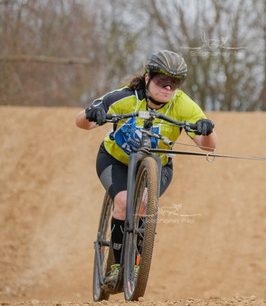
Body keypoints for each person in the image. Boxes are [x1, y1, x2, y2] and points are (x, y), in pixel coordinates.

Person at [76, 50, 217, 290]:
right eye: (162, 81)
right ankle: (116, 266)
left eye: (175, 83)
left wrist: (207, 130)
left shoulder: (183, 105)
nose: (168, 88)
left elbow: (209, 147)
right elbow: (82, 123)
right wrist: (91, 114)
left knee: (143, 203)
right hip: (115, 160)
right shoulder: (124, 97)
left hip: (158, 165)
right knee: (123, 202)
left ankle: (136, 264)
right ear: (148, 77)